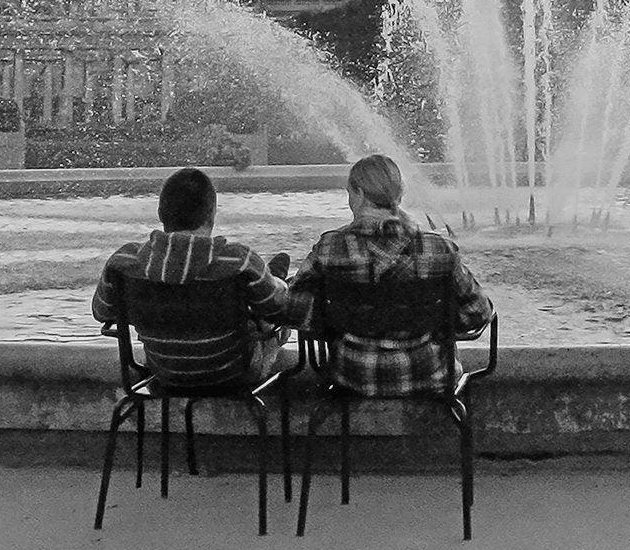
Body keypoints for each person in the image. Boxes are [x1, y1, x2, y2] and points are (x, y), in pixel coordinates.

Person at [286, 154, 494, 396]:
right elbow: (479, 312)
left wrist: (332, 321)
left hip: (352, 376)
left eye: (350, 193)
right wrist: (436, 326)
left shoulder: (331, 248)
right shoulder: (438, 250)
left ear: (360, 193)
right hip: (428, 374)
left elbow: (292, 308)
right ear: (400, 195)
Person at [91, 166, 291, 386]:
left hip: (164, 372)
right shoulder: (237, 261)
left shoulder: (125, 262)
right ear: (211, 213)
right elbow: (278, 309)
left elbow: (102, 312)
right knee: (274, 308)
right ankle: (275, 278)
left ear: (160, 213)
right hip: (234, 374)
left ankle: (272, 279)